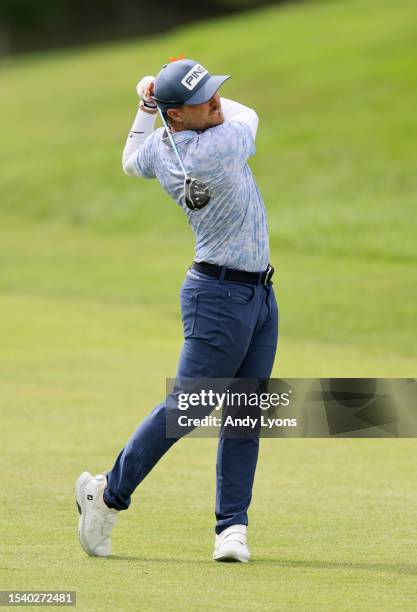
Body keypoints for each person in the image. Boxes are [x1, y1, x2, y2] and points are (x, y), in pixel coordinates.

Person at [75, 58, 278, 563]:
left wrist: (148, 107)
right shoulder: (219, 144)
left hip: (258, 295)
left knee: (245, 414)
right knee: (188, 408)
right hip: (220, 298)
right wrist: (159, 104)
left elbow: (129, 160)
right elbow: (248, 112)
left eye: (214, 92)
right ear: (179, 118)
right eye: (201, 99)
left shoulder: (165, 148)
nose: (215, 102)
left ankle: (231, 528)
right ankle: (108, 493)